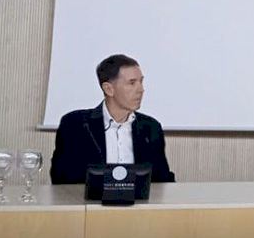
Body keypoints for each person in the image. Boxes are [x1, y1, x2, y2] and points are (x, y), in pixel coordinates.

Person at [50, 54, 175, 184]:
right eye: (132, 83)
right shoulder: (76, 125)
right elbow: (60, 177)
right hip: (88, 197)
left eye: (141, 82)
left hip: (139, 198)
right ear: (109, 89)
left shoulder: (151, 127)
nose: (141, 90)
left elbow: (162, 179)